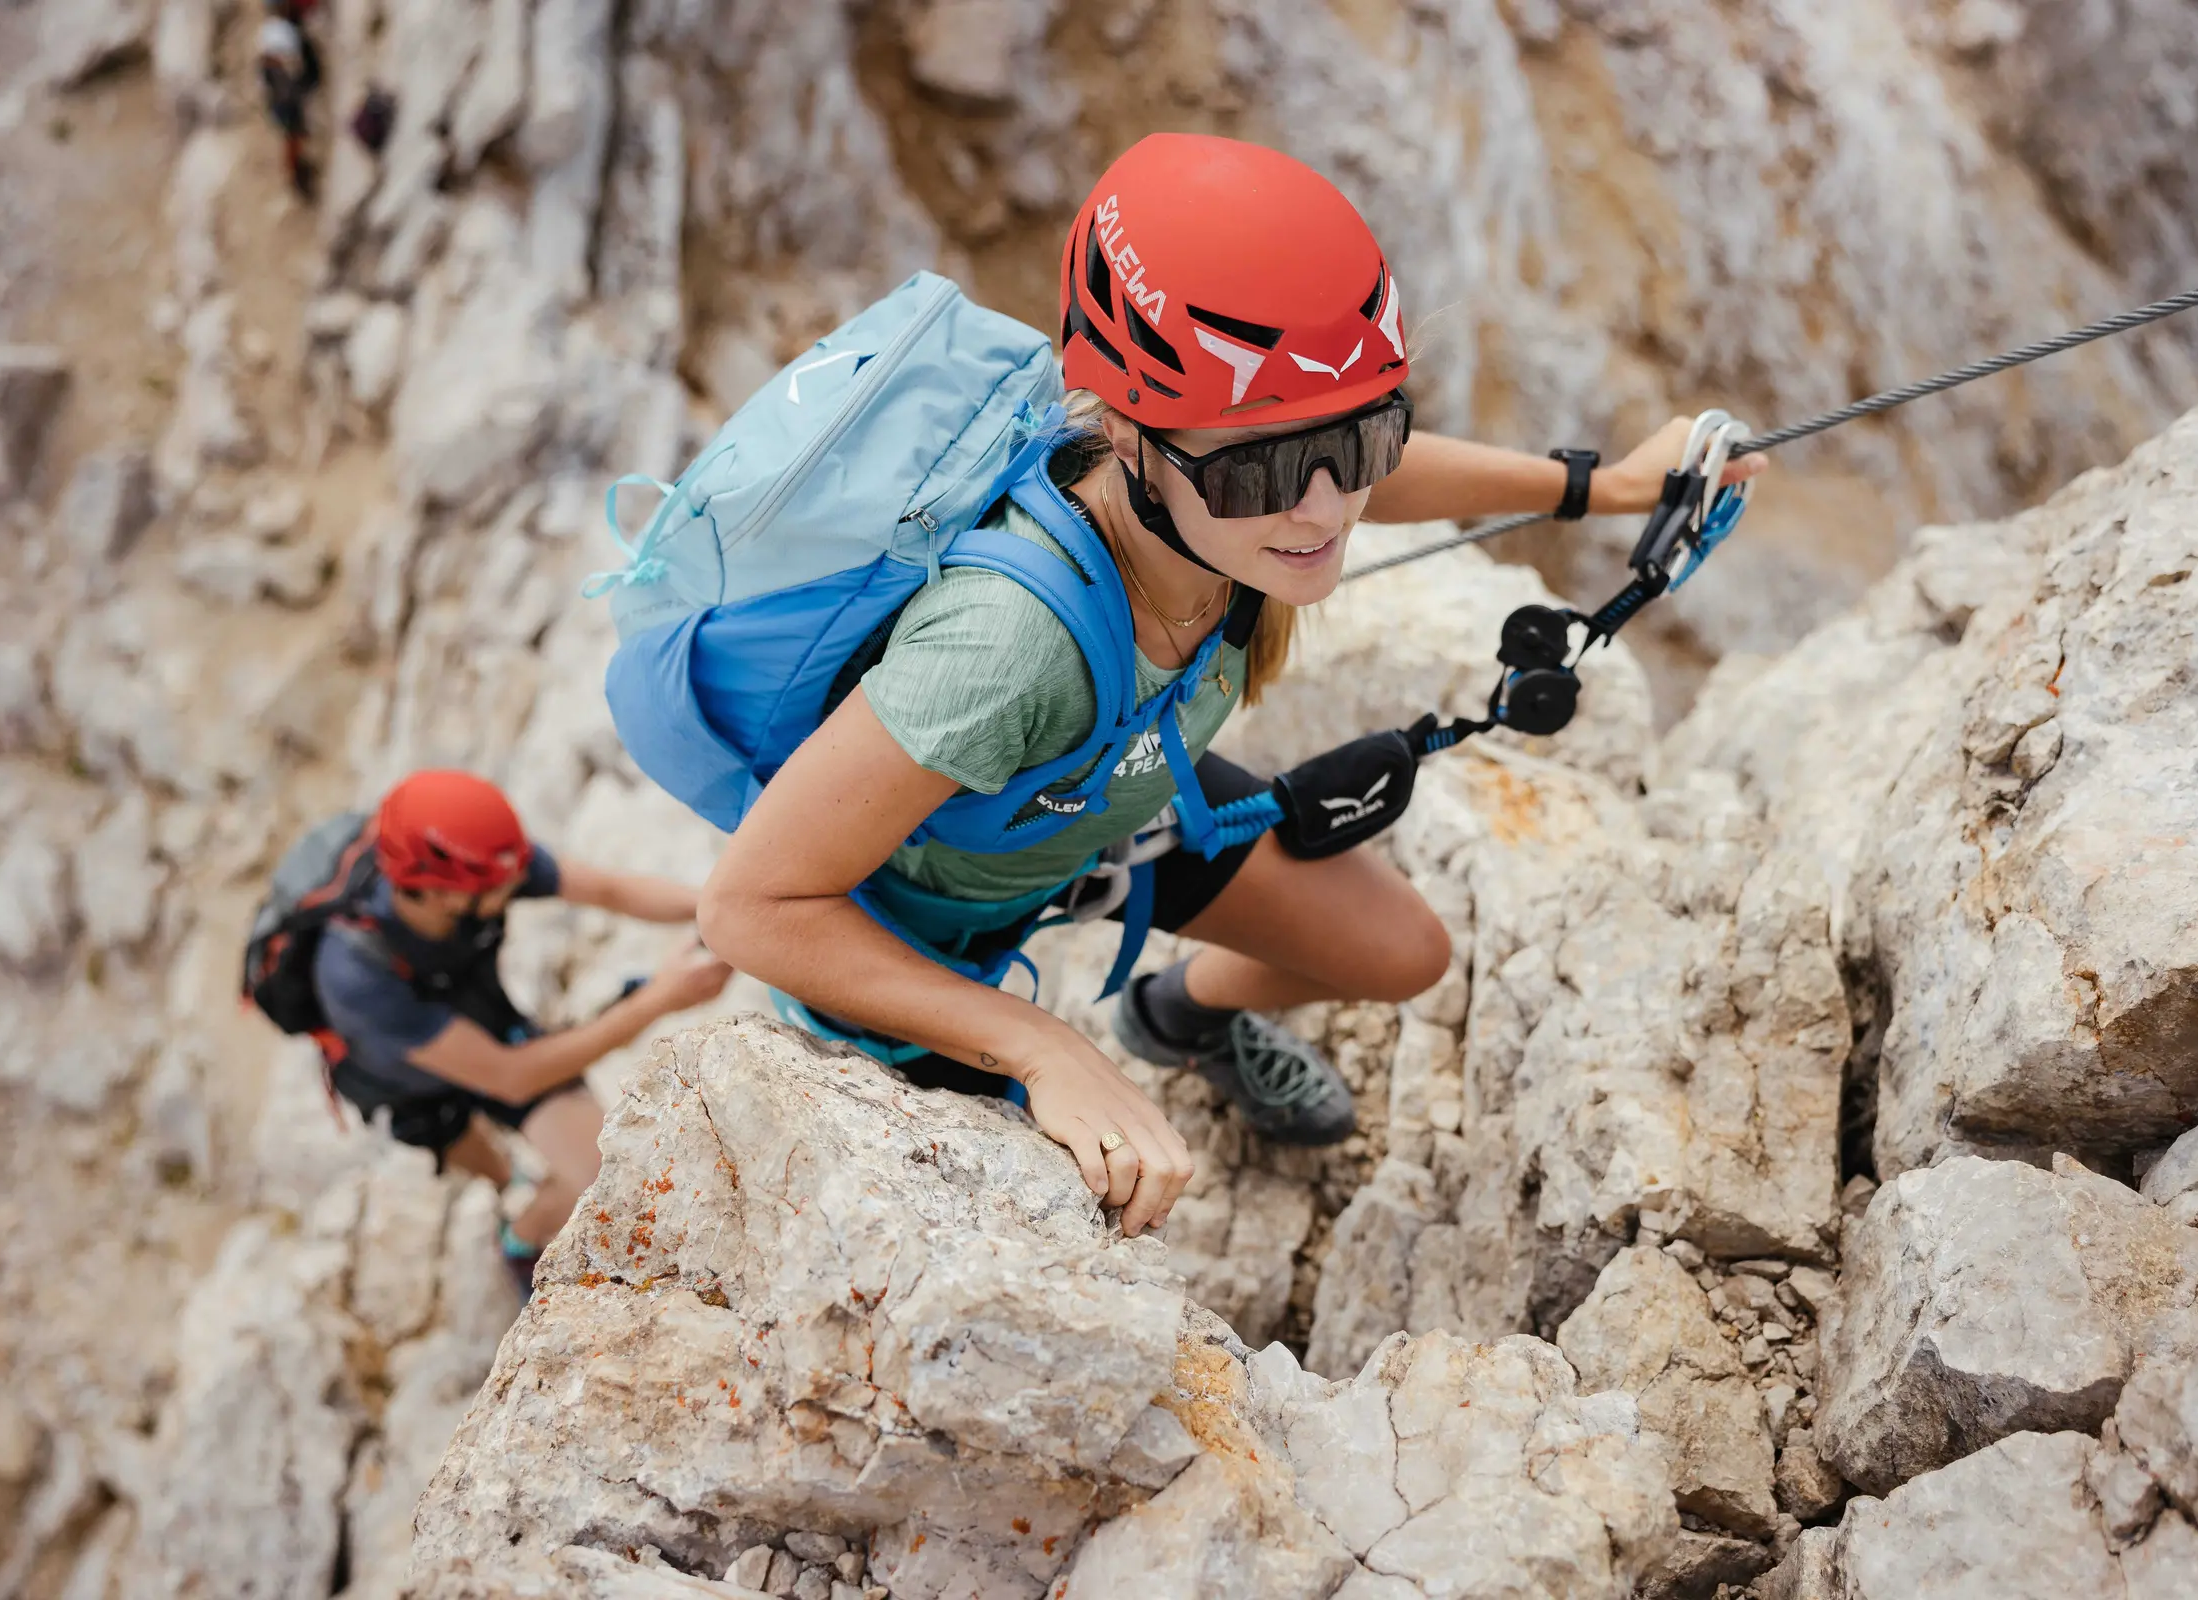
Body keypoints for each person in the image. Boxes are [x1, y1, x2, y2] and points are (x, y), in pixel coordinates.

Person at [694, 134, 1767, 1239]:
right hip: (921, 916)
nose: (1321, 510)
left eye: (1359, 439)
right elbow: (750, 906)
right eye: (1256, 470)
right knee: (1068, 1224)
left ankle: (1178, 1016)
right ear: (1125, 436)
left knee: (1403, 953)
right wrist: (1044, 1047)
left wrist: (1600, 486)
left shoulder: (1231, 504)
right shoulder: (1001, 648)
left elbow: (1344, 469)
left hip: (1106, 794)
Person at [315, 770, 732, 1293]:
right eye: (502, 887)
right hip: (405, 1079)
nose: (520, 885)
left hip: (480, 1018)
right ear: (444, 895)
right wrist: (661, 999)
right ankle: (518, 1234)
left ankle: (526, 1225)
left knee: (602, 1171)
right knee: (491, 1165)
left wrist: (721, 909)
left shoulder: (487, 868)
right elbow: (511, 1078)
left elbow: (608, 890)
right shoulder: (354, 974)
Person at [257, 1, 322, 200]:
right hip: (285, 98)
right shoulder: (276, 35)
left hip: (287, 96)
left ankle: (294, 166)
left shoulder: (274, 33)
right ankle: (293, 169)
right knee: (292, 134)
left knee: (294, 134)